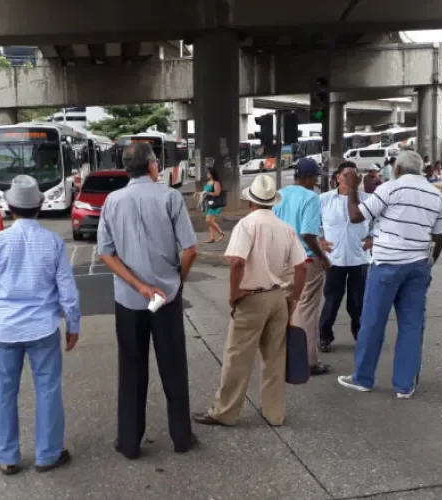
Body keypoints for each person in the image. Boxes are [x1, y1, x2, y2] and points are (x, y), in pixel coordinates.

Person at [0, 174, 80, 475]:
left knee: (5, 391)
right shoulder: (52, 242)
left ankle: (7, 457)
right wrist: (73, 324)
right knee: (48, 389)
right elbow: (66, 289)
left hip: (6, 329)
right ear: (40, 206)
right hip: (43, 328)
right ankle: (48, 454)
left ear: (10, 207)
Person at [97, 143, 199, 459]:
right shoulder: (169, 197)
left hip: (129, 300)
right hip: (167, 298)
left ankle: (129, 442)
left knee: (131, 369)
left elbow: (105, 253)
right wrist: (176, 281)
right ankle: (182, 437)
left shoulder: (112, 201)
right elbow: (190, 249)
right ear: (153, 166)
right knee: (173, 368)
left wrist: (139, 285)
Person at [193, 174, 307, 427]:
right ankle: (274, 412)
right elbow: (301, 267)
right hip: (278, 296)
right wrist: (294, 298)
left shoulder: (247, 225)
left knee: (238, 358)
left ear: (250, 202)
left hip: (252, 297)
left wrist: (234, 295)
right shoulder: (285, 228)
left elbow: (236, 262)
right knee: (274, 359)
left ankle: (225, 411)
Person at [337, 150, 442, 399]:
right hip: (418, 265)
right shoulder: (435, 194)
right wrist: (429, 264)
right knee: (411, 326)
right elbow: (440, 235)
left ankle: (363, 378)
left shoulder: (391, 188)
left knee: (373, 322)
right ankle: (404, 385)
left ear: (397, 169)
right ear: (420, 169)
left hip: (387, 264)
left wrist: (353, 188)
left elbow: (356, 216)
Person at [273, 158, 332, 375]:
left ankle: (280, 355)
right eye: (315, 177)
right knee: (306, 309)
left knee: (285, 308)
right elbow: (308, 233)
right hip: (305, 260)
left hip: (282, 259)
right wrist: (323, 257)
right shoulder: (310, 198)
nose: (316, 181)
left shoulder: (279, 195)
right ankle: (308, 361)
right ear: (307, 178)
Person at [318, 161, 372, 353]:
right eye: (346, 175)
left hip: (360, 258)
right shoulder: (324, 200)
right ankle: (324, 336)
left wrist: (373, 237)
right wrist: (320, 240)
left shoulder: (367, 200)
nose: (350, 179)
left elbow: (380, 223)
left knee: (357, 302)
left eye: (354, 175)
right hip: (335, 259)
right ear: (337, 177)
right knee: (332, 300)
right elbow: (312, 223)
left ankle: (360, 335)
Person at [202, 166, 225, 243]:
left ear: (212, 173)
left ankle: (221, 233)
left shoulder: (216, 182)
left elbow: (217, 193)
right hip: (208, 203)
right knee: (210, 221)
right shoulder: (208, 182)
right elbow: (204, 192)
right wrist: (198, 194)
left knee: (208, 220)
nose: (207, 174)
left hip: (215, 203)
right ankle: (212, 238)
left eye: (208, 172)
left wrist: (207, 193)